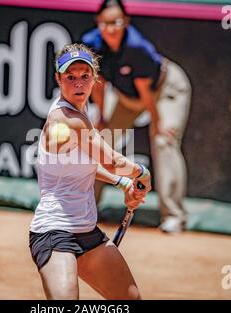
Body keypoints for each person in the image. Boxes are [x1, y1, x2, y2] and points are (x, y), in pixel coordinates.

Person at [29, 43, 151, 300]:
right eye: (70, 77)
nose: (78, 83)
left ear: (95, 78)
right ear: (58, 79)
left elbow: (87, 165)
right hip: (54, 233)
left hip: (87, 234)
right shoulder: (66, 119)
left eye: (85, 76)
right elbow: (110, 161)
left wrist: (121, 183)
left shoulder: (82, 113)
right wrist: (141, 173)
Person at [82, 0, 192, 233]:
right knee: (103, 140)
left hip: (164, 91)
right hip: (127, 97)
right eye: (105, 23)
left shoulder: (136, 47)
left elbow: (146, 91)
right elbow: (98, 85)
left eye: (116, 22)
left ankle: (174, 216)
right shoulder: (92, 45)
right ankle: (86, 207)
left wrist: (158, 123)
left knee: (164, 141)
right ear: (98, 23)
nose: (110, 28)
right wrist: (102, 116)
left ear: (126, 23)